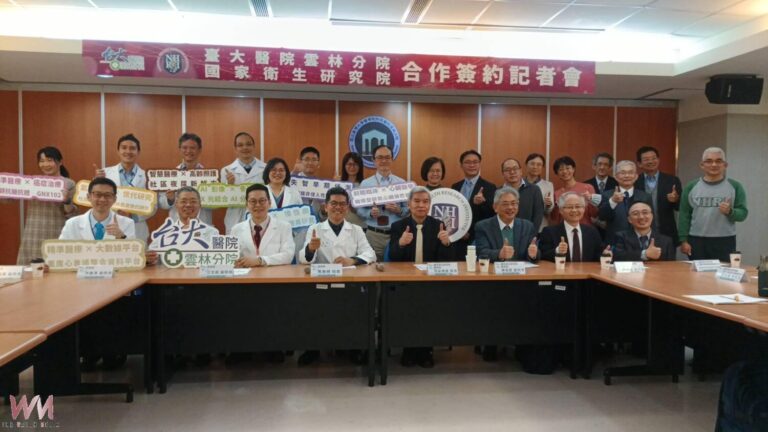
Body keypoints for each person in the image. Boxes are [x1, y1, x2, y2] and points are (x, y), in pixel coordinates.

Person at [298, 186, 376, 366]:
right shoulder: (315, 228)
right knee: (313, 308)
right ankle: (312, 349)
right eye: (333, 203)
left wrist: (352, 260)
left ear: (347, 207)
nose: (338, 208)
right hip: (322, 283)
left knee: (354, 308)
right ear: (326, 206)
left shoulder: (356, 230)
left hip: (349, 283)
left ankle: (354, 348)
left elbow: (370, 254)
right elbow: (303, 259)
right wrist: (311, 249)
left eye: (342, 204)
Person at [388, 186, 454, 368]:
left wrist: (446, 243)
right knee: (406, 310)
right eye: (416, 201)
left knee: (429, 310)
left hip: (430, 281)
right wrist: (401, 244)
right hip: (405, 282)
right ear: (409, 204)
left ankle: (426, 350)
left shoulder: (438, 225)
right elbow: (393, 258)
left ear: (430, 205)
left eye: (425, 202)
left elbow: (447, 261)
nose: (421, 205)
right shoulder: (398, 226)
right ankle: (408, 350)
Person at [679, 147, 748, 261]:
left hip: (725, 240)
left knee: (723, 272)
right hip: (696, 240)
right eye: (709, 161)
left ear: (725, 165)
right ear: (702, 165)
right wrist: (683, 240)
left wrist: (730, 211)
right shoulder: (691, 187)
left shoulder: (735, 186)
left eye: (719, 161)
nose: (714, 164)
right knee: (697, 272)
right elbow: (684, 215)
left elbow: (743, 213)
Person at [13, 147, 77, 265]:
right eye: (42, 161)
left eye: (49, 160)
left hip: (56, 232)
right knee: (30, 271)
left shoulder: (68, 183)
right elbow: (8, 199)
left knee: (55, 270)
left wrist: (66, 201)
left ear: (60, 162)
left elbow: (72, 214)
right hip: (33, 234)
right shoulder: (32, 183)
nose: (45, 164)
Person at [95, 133, 153, 242]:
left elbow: (153, 206)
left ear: (138, 152)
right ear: (118, 151)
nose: (128, 151)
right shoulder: (105, 174)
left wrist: (132, 216)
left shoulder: (147, 177)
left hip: (137, 229)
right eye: (124, 148)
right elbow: (94, 200)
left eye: (132, 148)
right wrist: (97, 181)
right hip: (109, 227)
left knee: (135, 252)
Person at [356, 145, 409, 262]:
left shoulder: (401, 183)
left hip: (396, 234)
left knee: (396, 267)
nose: (384, 161)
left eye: (387, 157)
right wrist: (370, 213)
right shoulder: (366, 184)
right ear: (374, 160)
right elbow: (359, 210)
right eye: (380, 157)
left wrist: (399, 210)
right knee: (371, 268)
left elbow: (408, 210)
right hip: (374, 235)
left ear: (392, 159)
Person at [146, 186, 220, 265]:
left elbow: (219, 260)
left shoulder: (212, 233)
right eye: (183, 201)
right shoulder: (164, 233)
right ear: (176, 204)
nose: (188, 205)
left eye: (193, 201)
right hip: (171, 273)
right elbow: (152, 259)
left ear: (200, 205)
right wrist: (149, 259)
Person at [231, 184, 295, 267]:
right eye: (253, 201)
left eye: (262, 201)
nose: (258, 205)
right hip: (247, 274)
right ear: (246, 205)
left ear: (269, 203)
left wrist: (260, 260)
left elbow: (288, 255)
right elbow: (232, 257)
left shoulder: (284, 227)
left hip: (275, 274)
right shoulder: (236, 229)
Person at [157, 133, 213, 225]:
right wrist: (170, 199)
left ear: (199, 150)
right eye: (185, 148)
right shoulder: (170, 176)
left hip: (202, 224)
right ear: (180, 150)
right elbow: (162, 204)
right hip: (177, 225)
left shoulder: (210, 176)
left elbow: (216, 203)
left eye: (192, 148)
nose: (188, 151)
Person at [475, 187, 539, 263]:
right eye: (505, 204)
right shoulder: (483, 227)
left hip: (521, 270)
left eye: (513, 203)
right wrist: (499, 254)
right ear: (495, 207)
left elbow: (535, 253)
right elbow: (481, 253)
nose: (510, 207)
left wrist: (534, 254)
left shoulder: (527, 226)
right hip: (494, 269)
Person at [59, 177, 135, 241]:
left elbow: (133, 252)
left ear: (114, 199)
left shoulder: (127, 223)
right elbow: (62, 250)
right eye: (97, 194)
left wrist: (121, 237)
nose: (102, 199)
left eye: (107, 195)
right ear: (88, 197)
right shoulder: (72, 224)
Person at [451, 150, 496, 257]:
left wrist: (483, 203)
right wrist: (458, 232)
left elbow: (493, 214)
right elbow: (452, 213)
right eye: (467, 162)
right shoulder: (455, 187)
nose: (472, 165)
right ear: (461, 165)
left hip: (478, 238)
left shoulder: (490, 187)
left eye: (475, 162)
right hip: (457, 239)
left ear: (480, 164)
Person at [635, 146, 683, 245]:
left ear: (658, 160)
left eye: (653, 158)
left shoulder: (672, 180)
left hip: (666, 232)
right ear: (639, 163)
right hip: (640, 232)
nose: (651, 161)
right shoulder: (635, 182)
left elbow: (680, 207)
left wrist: (675, 200)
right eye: (646, 159)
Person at [597, 160, 653, 244]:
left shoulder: (645, 196)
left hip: (640, 242)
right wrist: (613, 201)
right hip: (615, 242)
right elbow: (602, 216)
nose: (627, 176)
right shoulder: (606, 195)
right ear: (616, 176)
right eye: (623, 173)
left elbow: (651, 221)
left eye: (630, 172)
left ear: (636, 176)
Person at [539, 192, 604, 262]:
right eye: (569, 207)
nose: (574, 210)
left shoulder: (592, 232)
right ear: (561, 210)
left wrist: (606, 254)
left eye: (578, 206)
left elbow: (599, 255)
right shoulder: (549, 232)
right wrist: (558, 251)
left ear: (584, 209)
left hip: (586, 269)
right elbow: (543, 255)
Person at [221, 132, 265, 234]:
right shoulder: (226, 170)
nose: (245, 147)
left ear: (254, 146)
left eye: (248, 144)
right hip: (235, 218)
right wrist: (229, 186)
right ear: (235, 149)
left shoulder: (266, 169)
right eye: (240, 145)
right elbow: (223, 200)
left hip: (259, 216)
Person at [549, 156, 598, 227]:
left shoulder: (587, 188)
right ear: (557, 173)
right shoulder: (556, 193)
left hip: (585, 229)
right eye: (561, 169)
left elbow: (594, 214)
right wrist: (556, 206)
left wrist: (590, 200)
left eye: (567, 168)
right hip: (564, 230)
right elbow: (554, 218)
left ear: (573, 169)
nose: (565, 171)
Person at [500, 158, 544, 228]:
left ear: (521, 171)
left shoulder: (534, 189)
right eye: (508, 170)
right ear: (503, 174)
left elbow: (538, 215)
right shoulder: (498, 192)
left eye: (515, 168)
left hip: (528, 232)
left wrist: (531, 232)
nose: (512, 172)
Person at [524, 153, 555, 231]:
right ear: (526, 165)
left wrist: (548, 205)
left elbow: (548, 211)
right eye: (532, 164)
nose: (535, 167)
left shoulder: (548, 185)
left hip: (541, 227)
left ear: (542, 167)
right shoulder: (520, 183)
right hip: (522, 226)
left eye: (539, 165)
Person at [339, 152, 366, 229]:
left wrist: (354, 209)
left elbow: (367, 211)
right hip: (341, 226)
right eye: (349, 164)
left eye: (355, 164)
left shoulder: (365, 185)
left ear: (360, 166)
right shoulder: (338, 184)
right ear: (344, 166)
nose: (352, 167)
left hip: (360, 226)